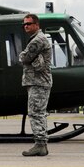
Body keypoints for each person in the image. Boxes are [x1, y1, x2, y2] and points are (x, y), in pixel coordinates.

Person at [19, 13, 53, 157]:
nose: (26, 26)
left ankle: (40, 144)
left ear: (36, 25)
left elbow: (24, 57)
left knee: (36, 113)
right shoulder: (37, 39)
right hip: (38, 81)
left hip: (38, 82)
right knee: (38, 112)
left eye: (29, 24)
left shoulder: (37, 40)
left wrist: (23, 56)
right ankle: (41, 144)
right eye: (24, 24)